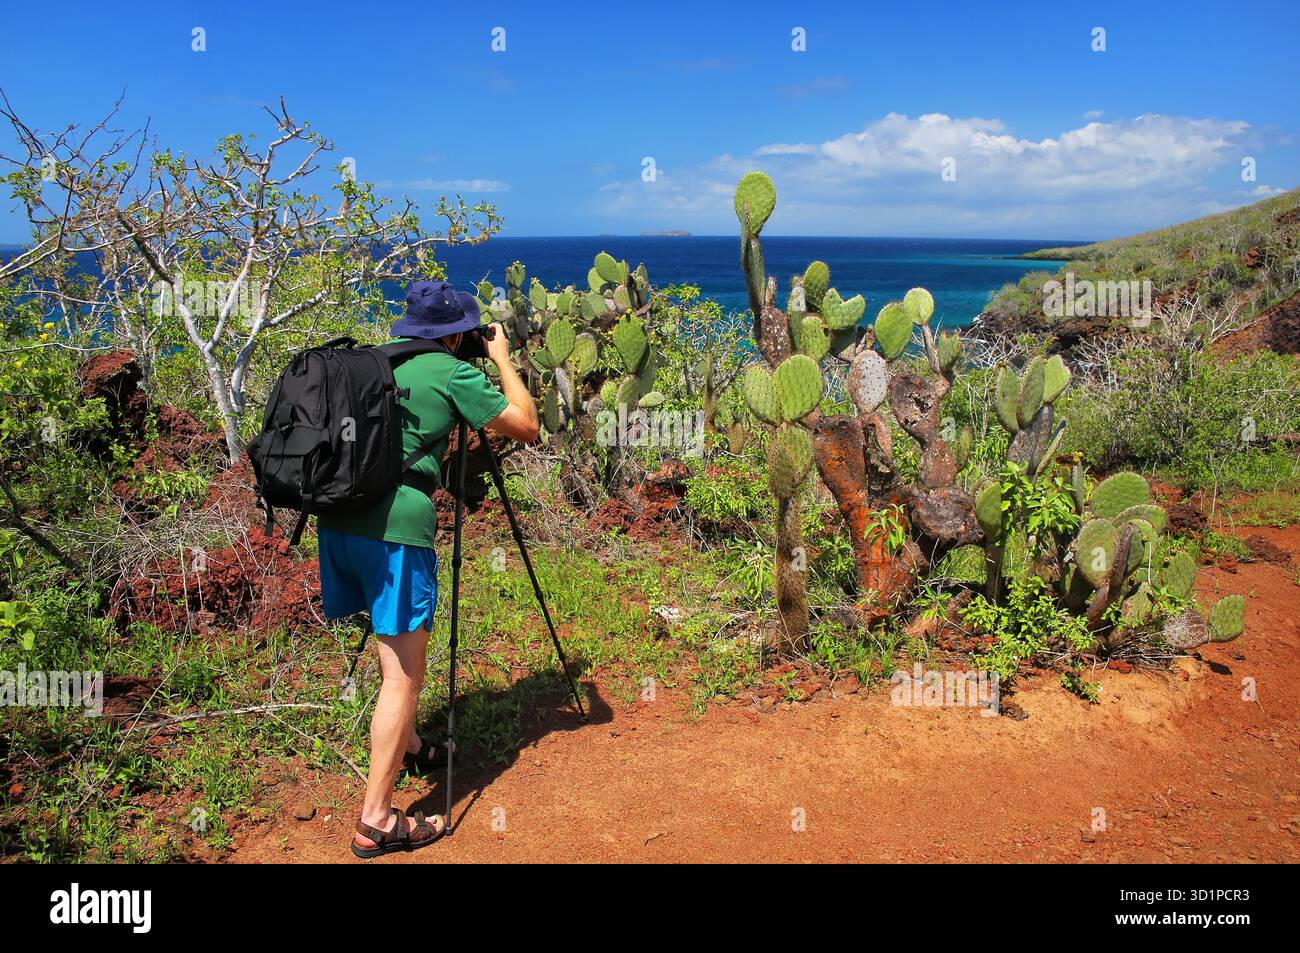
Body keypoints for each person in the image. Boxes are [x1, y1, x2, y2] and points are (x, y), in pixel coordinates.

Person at [316, 279, 538, 858]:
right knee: (403, 675)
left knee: (391, 651)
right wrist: (502, 360)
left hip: (339, 526)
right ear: (458, 333)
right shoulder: (451, 373)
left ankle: (410, 743)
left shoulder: (373, 362)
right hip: (395, 534)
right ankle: (376, 820)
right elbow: (525, 424)